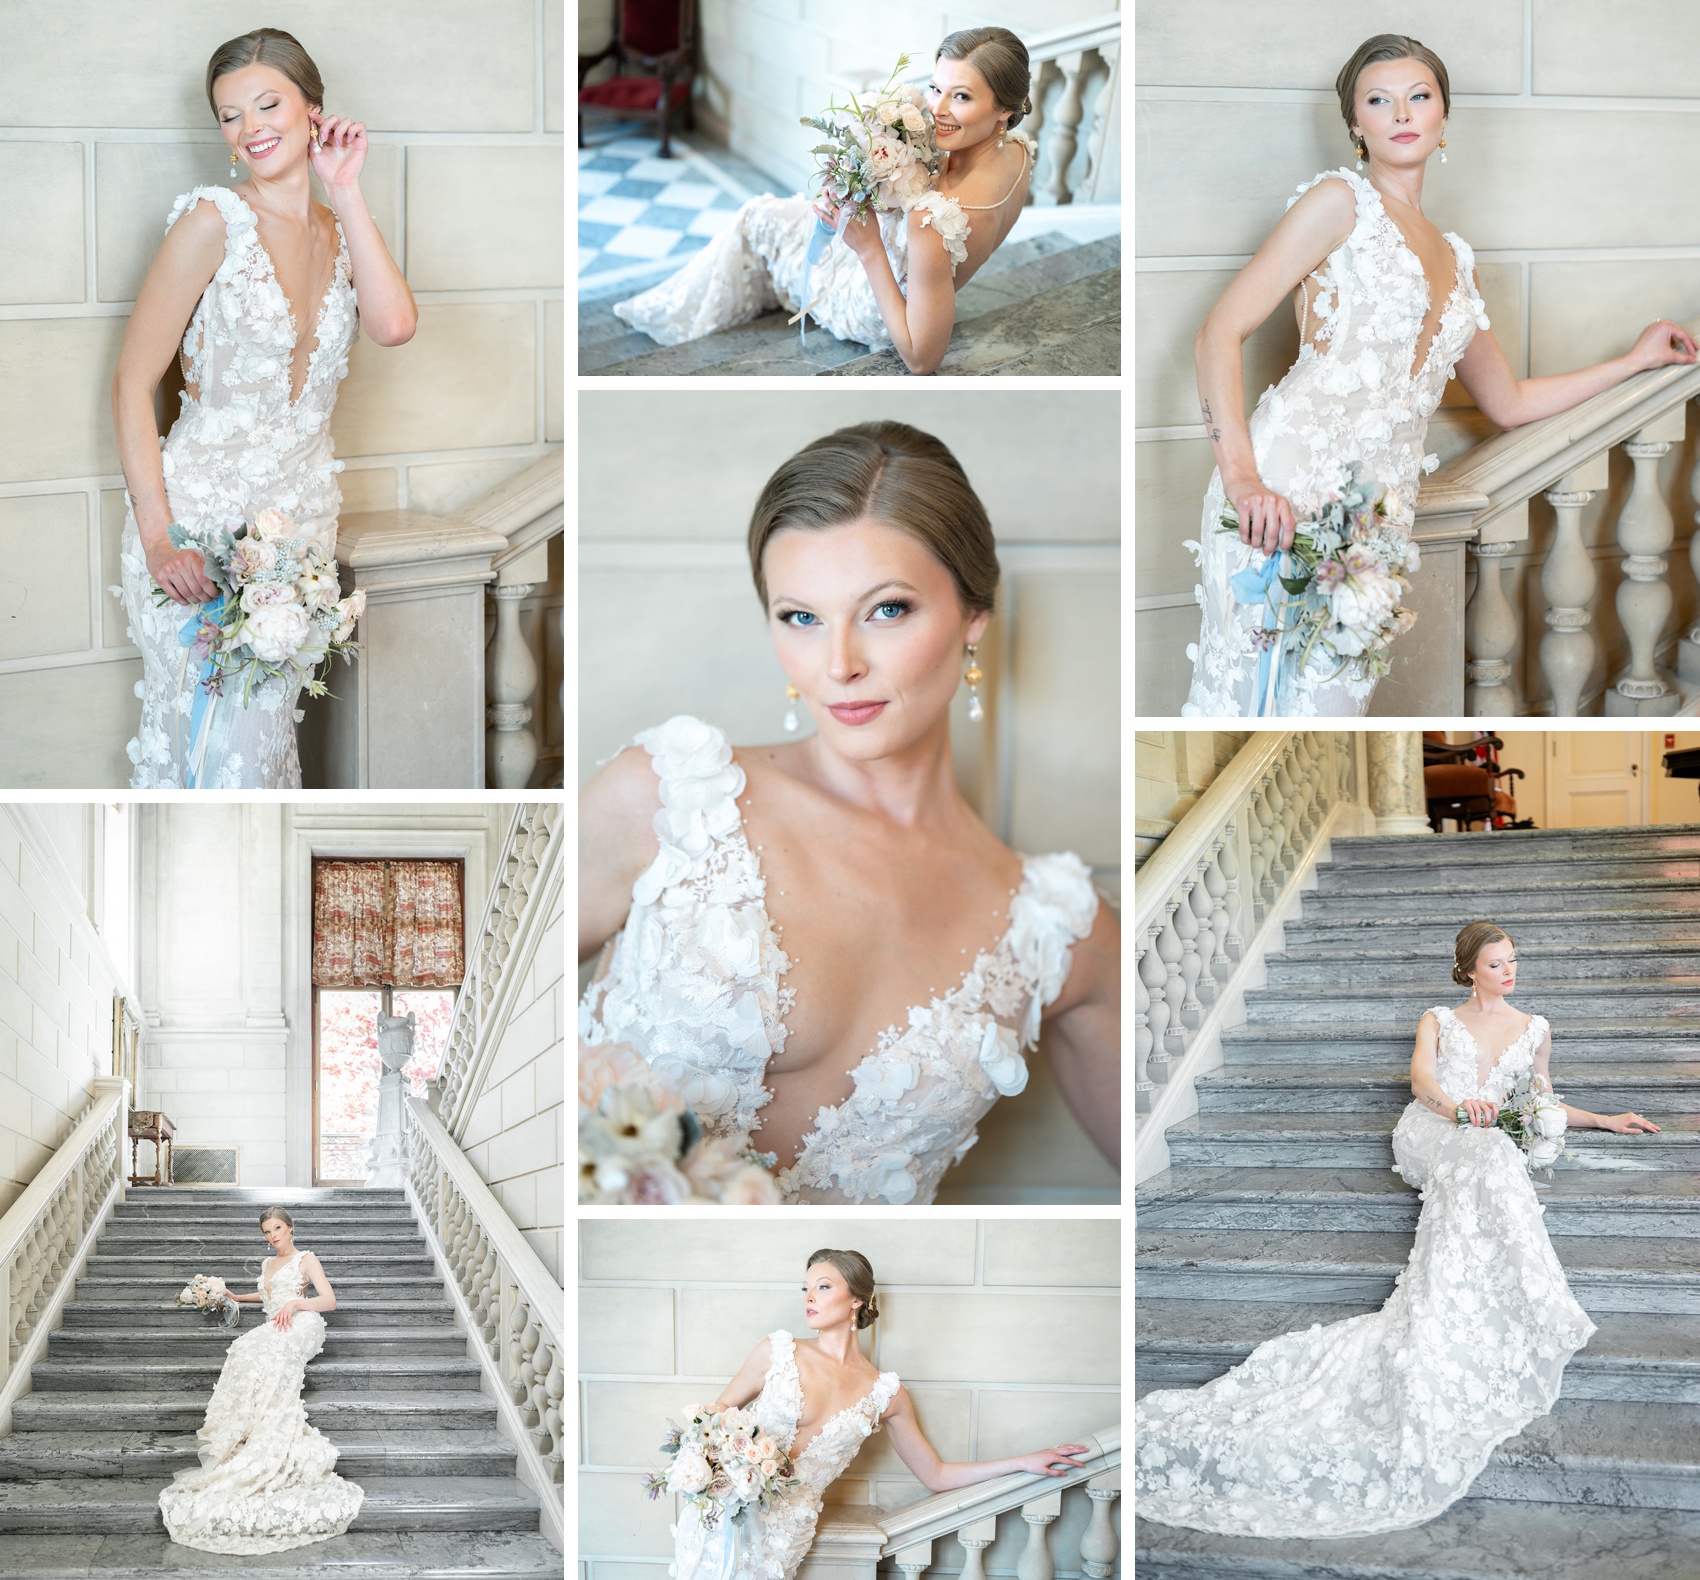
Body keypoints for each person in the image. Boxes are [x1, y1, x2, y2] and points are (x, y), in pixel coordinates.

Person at [579, 422, 1120, 1204]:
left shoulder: (1053, 927)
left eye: (887, 610)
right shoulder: (667, 801)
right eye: (801, 617)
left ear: (974, 616)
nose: (839, 666)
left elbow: (1176, 1179)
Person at [1181, 32, 1698, 717]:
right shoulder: (1340, 202)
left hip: (1375, 521)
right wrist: (1244, 478)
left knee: (1334, 711)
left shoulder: (1457, 258)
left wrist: (1635, 361)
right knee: (1252, 701)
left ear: (1443, 117)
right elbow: (1219, 330)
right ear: (1356, 124)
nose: (1401, 112)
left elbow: (1508, 403)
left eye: (1418, 97)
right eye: (1379, 100)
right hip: (1280, 489)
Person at [1135, 921, 1661, 1536]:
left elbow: (1542, 1101)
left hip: (1486, 1137)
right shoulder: (1438, 1018)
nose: (1508, 972)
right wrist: (1460, 1109)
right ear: (1467, 970)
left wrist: (1601, 1118)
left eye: (1512, 961)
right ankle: (1486, 1295)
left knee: (1492, 1152)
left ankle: (1492, 1296)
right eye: (1495, 964)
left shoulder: (1536, 1028)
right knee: (1484, 1151)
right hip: (1432, 1129)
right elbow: (1422, 1083)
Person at [114, 28, 416, 787]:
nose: (251, 128)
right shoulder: (212, 221)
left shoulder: (337, 228)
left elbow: (395, 326)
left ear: (314, 109)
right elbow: (129, 382)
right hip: (196, 532)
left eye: (268, 103)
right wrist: (158, 539)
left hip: (299, 533)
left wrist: (344, 190)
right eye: (229, 115)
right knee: (205, 755)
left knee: (263, 750)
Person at [612, 28, 1036, 373]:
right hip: (915, 277)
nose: (937, 108)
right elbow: (945, 247)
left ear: (1003, 108)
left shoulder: (930, 221)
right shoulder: (1017, 152)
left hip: (878, 304)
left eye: (961, 96)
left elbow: (922, 359)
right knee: (773, 218)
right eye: (934, 87)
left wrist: (868, 247)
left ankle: (676, 314)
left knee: (756, 219)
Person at [672, 1249, 1093, 1580]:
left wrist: (1024, 1462)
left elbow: (937, 1475)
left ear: (856, 1299)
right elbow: (714, 1417)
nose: (809, 1298)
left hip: (784, 1533)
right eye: (805, 1289)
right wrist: (710, 1464)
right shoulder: (777, 1351)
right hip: (721, 1512)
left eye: (822, 1287)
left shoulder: (885, 1395)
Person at [158, 1207, 364, 1552]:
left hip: (302, 1323)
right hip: (275, 1323)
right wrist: (238, 1297)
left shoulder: (306, 1259)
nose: (273, 1236)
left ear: (291, 1228)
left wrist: (298, 1304)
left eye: (278, 1228)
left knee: (269, 1349)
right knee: (243, 1347)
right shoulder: (268, 1264)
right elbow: (269, 1296)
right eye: (267, 1231)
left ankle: (269, 1421)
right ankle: (244, 1420)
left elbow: (328, 1300)